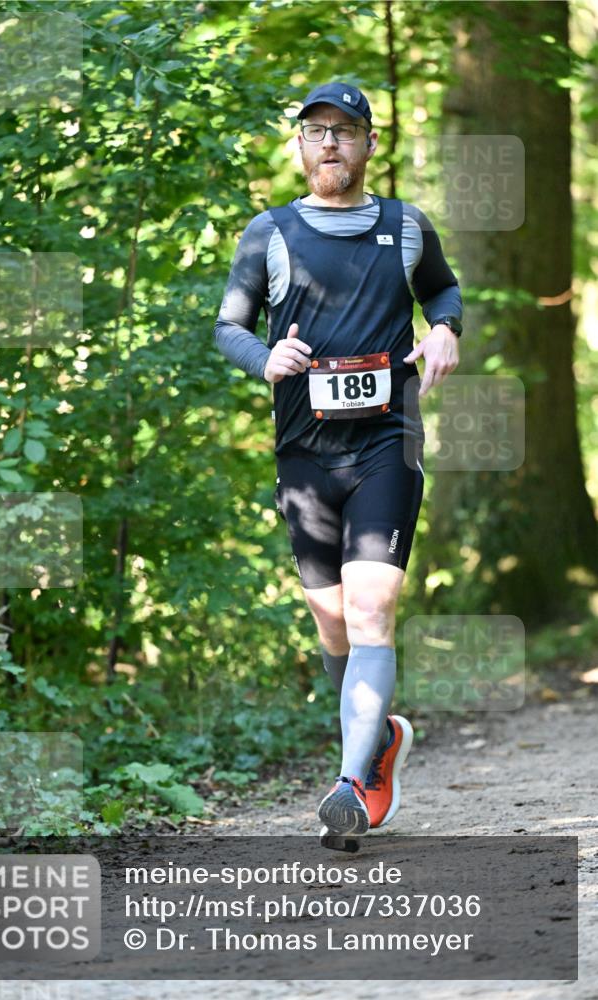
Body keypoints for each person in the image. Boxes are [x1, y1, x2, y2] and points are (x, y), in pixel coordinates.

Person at [214, 82, 462, 837]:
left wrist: (445, 327)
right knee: (332, 627)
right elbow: (228, 327)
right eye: (316, 130)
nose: (330, 142)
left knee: (370, 611)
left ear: (368, 144)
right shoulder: (270, 233)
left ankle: (352, 784)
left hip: (386, 440)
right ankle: (380, 738)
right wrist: (265, 357)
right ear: (299, 144)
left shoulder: (404, 225)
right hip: (304, 454)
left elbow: (442, 291)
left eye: (345, 130)